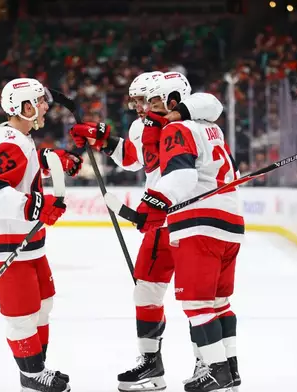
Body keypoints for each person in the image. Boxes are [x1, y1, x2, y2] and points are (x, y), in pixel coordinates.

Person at [69, 71, 224, 392]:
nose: (139, 107)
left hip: (191, 218)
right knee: (146, 291)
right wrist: (102, 139)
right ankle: (151, 364)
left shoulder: (188, 117)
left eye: (146, 100)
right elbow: (132, 159)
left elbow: (211, 103)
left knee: (197, 299)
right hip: (158, 221)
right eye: (137, 101)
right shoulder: (143, 125)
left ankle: (207, 363)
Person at [136, 72, 243, 392]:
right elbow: (211, 105)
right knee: (219, 302)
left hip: (199, 224)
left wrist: (151, 203)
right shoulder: (211, 129)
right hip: (231, 223)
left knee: (197, 305)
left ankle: (217, 370)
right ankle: (231, 369)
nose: (152, 109)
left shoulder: (177, 128)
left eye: (157, 102)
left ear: (173, 101)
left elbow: (181, 178)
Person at [0, 77, 81, 392]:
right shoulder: (9, 139)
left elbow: (25, 168)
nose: (46, 106)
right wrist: (38, 206)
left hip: (27, 241)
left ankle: (38, 368)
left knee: (43, 304)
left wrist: (54, 162)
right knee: (22, 314)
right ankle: (32, 375)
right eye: (40, 101)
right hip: (5, 241)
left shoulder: (21, 137)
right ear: (23, 107)